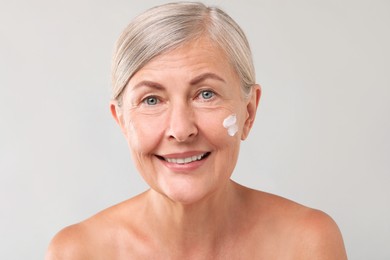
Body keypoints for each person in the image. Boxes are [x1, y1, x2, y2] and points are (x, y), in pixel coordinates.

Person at [46, 2, 347, 259]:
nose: (181, 129)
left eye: (206, 94)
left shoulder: (307, 244)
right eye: (152, 100)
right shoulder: (79, 252)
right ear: (122, 121)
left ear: (249, 112)